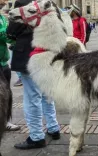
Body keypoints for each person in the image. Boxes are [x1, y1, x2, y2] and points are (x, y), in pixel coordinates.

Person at [7, 0, 60, 149]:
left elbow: (11, 31)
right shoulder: (48, 4)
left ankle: (36, 137)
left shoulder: (22, 3)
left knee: (32, 98)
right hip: (48, 54)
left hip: (28, 55)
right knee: (46, 95)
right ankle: (53, 128)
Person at [0, 0, 20, 131]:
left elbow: (7, 36)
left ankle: (6, 121)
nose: (2, 6)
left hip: (3, 61)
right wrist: (7, 31)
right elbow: (3, 33)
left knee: (7, 93)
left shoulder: (2, 17)